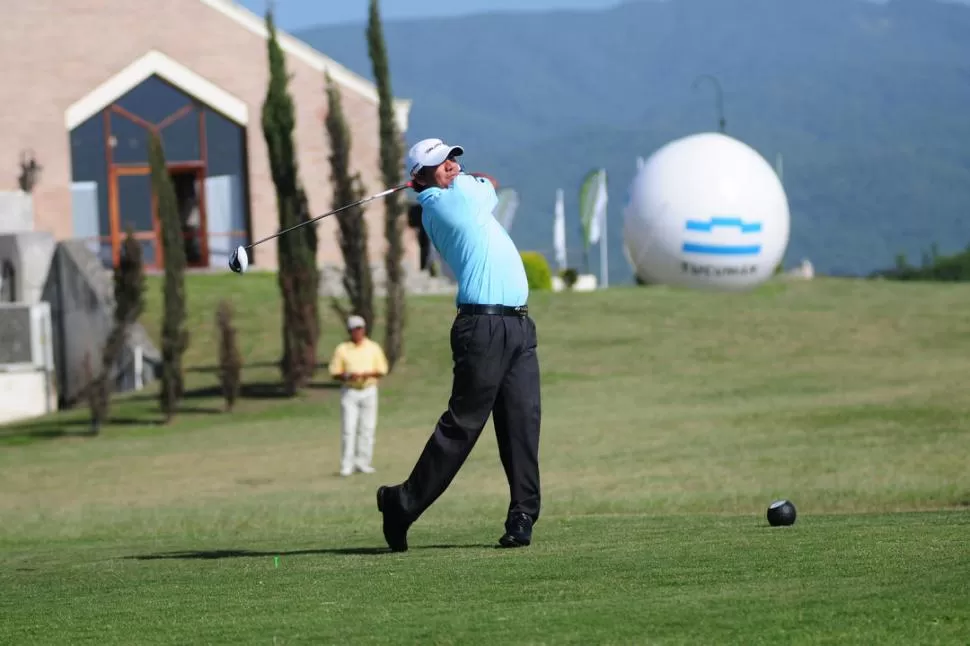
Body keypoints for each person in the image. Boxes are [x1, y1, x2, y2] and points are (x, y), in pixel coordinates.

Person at [376, 138, 542, 551]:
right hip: (481, 326)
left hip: (519, 325)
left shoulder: (457, 193)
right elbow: (487, 185)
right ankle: (402, 503)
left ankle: (522, 515)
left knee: (522, 423)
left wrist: (454, 175)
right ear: (421, 177)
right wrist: (459, 181)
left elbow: (486, 182)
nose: (451, 164)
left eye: (452, 157)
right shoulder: (441, 204)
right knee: (464, 425)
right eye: (439, 161)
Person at [328, 315, 389, 477]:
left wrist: (368, 374)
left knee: (367, 428)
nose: (358, 332)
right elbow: (335, 372)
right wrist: (348, 376)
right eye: (354, 329)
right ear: (349, 331)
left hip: (369, 390)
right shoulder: (343, 349)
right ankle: (346, 465)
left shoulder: (373, 347)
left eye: (360, 328)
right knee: (349, 429)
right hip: (350, 391)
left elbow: (382, 369)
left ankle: (363, 462)